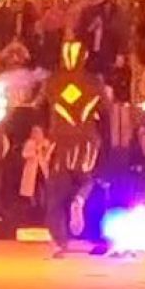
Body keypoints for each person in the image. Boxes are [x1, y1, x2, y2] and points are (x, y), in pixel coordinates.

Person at [42, 37, 104, 251]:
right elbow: (104, 108)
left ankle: (60, 241)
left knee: (56, 191)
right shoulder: (94, 82)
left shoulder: (53, 81)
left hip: (60, 140)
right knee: (87, 180)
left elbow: (43, 104)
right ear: (84, 57)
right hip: (87, 139)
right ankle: (80, 199)